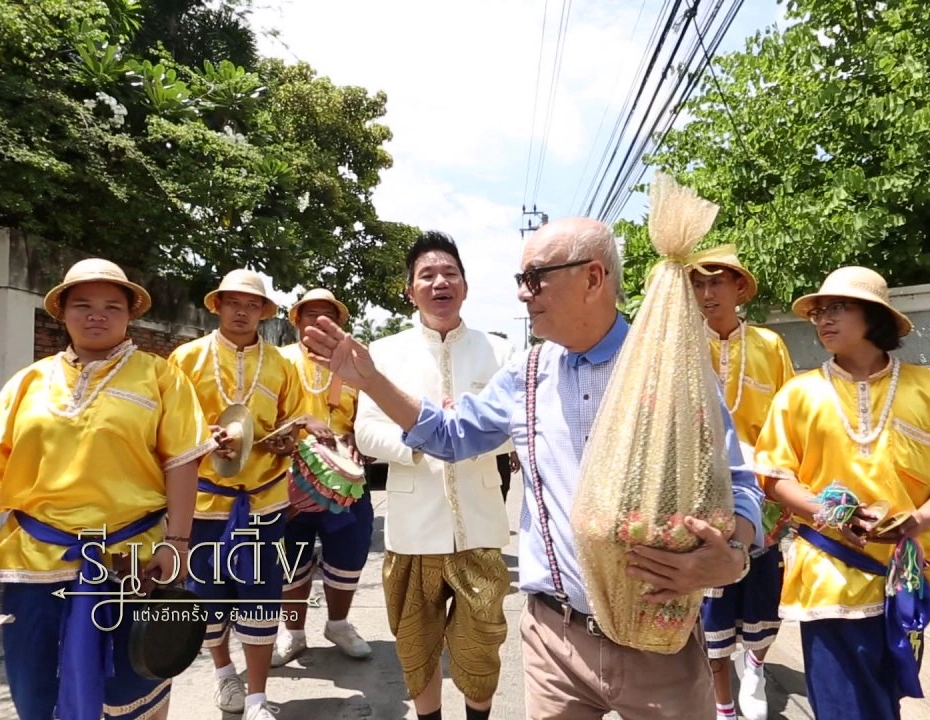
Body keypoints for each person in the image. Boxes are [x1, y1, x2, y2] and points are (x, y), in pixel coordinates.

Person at [304, 217, 764, 720]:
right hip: (555, 641)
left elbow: (736, 480)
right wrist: (369, 380)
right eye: (522, 281)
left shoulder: (670, 368)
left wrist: (734, 553)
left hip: (657, 637)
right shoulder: (527, 373)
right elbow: (450, 435)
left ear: (592, 278)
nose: (525, 295)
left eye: (536, 278)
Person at [0, 258, 212, 720]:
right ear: (61, 312)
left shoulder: (161, 377)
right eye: (82, 304)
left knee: (134, 685)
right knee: (37, 687)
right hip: (34, 562)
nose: (97, 315)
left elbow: (182, 464)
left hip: (133, 561)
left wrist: (178, 543)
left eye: (112, 306)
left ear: (130, 315)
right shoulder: (28, 382)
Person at [752, 266, 930, 720]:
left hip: (902, 574)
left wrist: (918, 520)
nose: (824, 319)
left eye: (838, 308)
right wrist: (829, 511)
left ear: (874, 316)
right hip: (828, 567)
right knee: (839, 698)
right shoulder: (798, 393)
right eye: (819, 312)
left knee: (886, 694)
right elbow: (774, 475)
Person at [352, 231, 515, 720]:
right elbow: (365, 433)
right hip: (411, 532)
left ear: (465, 286)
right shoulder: (383, 355)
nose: (440, 282)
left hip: (481, 532)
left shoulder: (500, 352)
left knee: (480, 649)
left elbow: (515, 429)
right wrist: (424, 437)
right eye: (427, 275)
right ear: (409, 289)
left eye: (450, 274)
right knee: (416, 649)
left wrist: (464, 431)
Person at [166, 269, 319, 720]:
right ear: (217, 305)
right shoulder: (185, 359)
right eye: (233, 302)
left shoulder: (282, 365)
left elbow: (298, 425)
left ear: (264, 312)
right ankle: (223, 673)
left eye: (252, 304)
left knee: (260, 593)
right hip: (204, 502)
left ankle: (256, 697)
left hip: (263, 500)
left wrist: (285, 441)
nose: (242, 311)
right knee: (207, 594)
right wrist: (202, 439)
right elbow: (167, 430)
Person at [687, 246, 795, 720]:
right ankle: (723, 700)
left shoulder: (770, 346)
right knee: (712, 594)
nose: (708, 293)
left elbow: (791, 421)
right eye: (699, 284)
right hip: (704, 489)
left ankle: (755, 663)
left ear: (738, 289)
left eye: (717, 283)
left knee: (763, 589)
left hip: (765, 489)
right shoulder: (683, 345)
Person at [270, 287, 374, 664]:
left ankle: (339, 624)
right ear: (295, 320)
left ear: (338, 323)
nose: (317, 321)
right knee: (291, 557)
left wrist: (363, 441)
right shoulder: (277, 361)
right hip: (288, 477)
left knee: (349, 552)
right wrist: (298, 425)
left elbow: (372, 416)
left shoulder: (356, 363)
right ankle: (293, 633)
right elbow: (264, 416)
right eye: (309, 314)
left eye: (325, 315)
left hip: (345, 477)